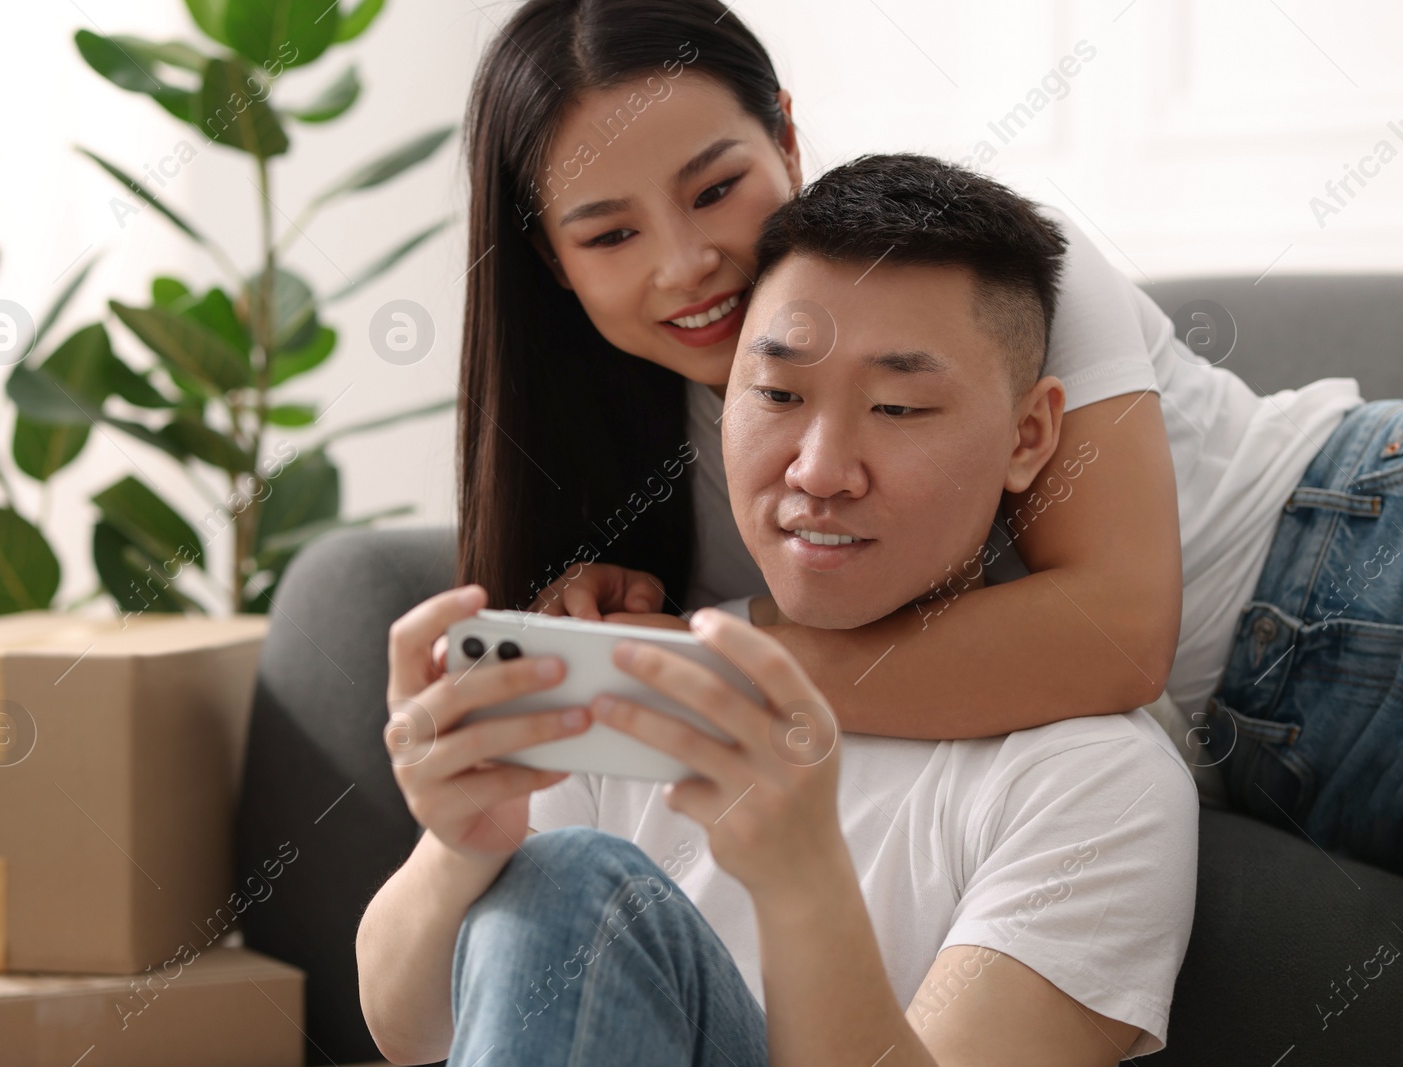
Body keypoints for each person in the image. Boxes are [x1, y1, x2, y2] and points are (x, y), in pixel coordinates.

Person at [455, 0, 1398, 873]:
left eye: (714, 190)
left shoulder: (982, 277)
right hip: (1258, 744)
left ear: (784, 134)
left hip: (1349, 546)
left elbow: (1113, 635)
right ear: (552, 259)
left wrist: (701, 656)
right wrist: (596, 628)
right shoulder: (615, 457)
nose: (685, 263)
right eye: (610, 237)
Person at [357, 154, 1198, 1065]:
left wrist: (804, 885)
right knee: (558, 876)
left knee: (573, 880)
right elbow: (408, 1031)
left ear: (1028, 436)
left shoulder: (1095, 782)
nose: (819, 470)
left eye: (899, 407)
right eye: (778, 395)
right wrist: (461, 849)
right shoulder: (630, 686)